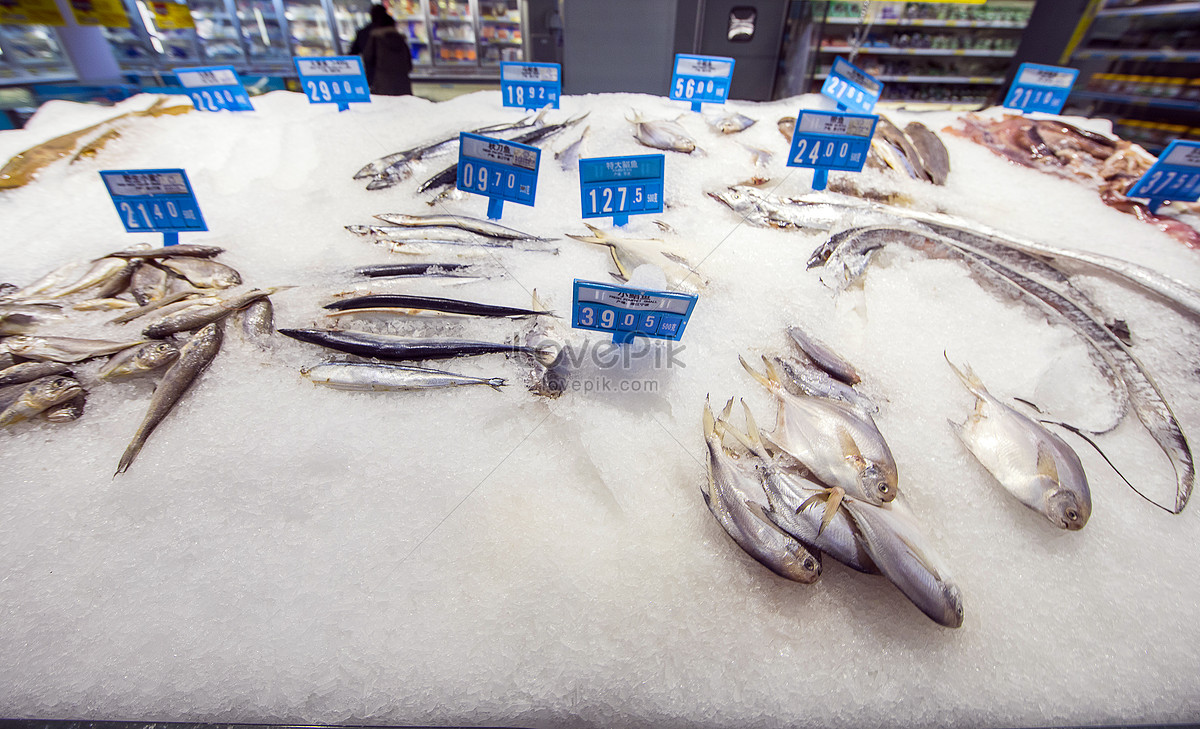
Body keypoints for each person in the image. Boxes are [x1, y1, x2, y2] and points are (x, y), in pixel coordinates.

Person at [356, 5, 413, 96]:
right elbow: (409, 63)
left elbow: (368, 59)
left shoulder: (370, 36)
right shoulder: (399, 38)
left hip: (381, 82)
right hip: (402, 82)